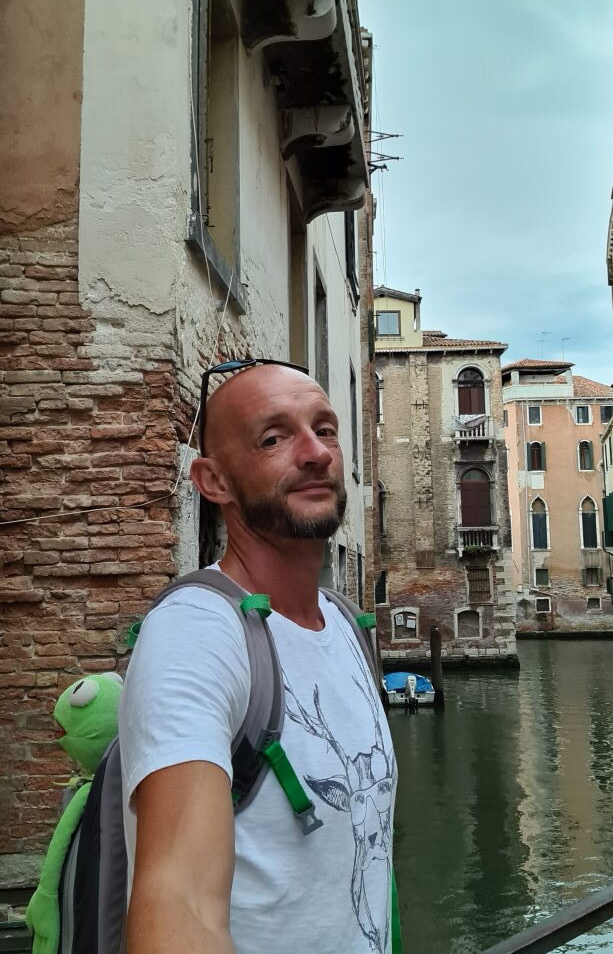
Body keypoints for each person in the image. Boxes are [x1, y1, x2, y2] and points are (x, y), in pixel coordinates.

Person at [119, 363, 397, 954]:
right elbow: (181, 903)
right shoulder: (196, 632)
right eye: (274, 438)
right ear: (213, 481)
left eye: (326, 429)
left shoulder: (346, 623)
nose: (316, 452)